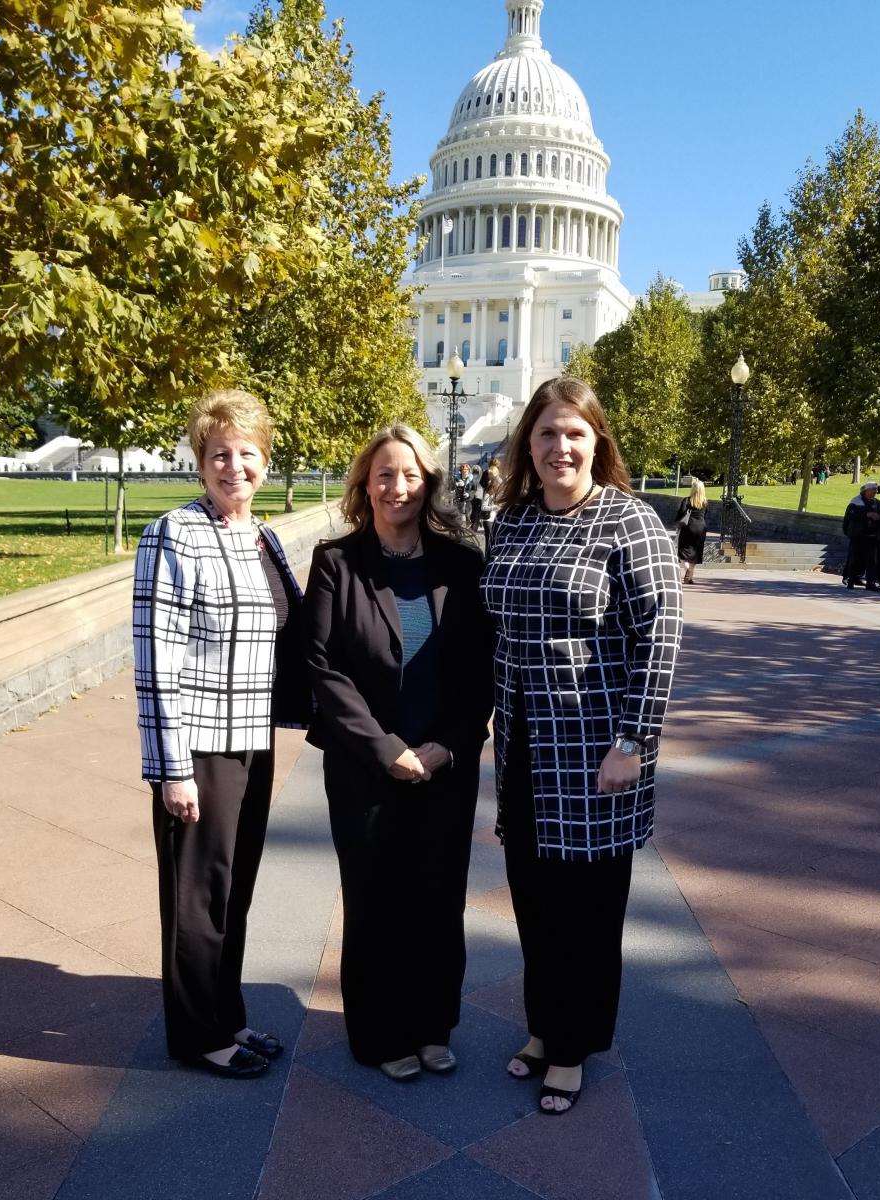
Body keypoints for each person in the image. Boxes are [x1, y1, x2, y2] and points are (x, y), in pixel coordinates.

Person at [481, 377, 683, 1115]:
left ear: (596, 440)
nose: (559, 447)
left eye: (573, 433)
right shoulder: (510, 522)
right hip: (525, 747)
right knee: (535, 904)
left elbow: (657, 636)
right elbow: (494, 630)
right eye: (545, 434)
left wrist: (634, 739)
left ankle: (572, 1047)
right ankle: (543, 1027)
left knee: (588, 914)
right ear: (526, 446)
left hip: (599, 750)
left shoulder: (629, 522)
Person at [303, 425, 493, 1081]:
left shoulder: (462, 563)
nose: (397, 487)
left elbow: (479, 671)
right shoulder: (336, 562)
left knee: (438, 899)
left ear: (428, 481)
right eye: (384, 475)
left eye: (409, 474)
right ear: (365, 485)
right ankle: (380, 1033)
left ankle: (432, 1024)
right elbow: (323, 669)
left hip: (444, 765)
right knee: (376, 898)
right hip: (364, 769)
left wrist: (446, 745)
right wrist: (384, 748)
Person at [133, 389, 311, 1079]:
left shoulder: (259, 533)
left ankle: (225, 1015)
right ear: (199, 462)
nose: (233, 467)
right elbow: (155, 657)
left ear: (264, 460)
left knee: (232, 890)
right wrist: (171, 767)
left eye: (246, 454)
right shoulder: (174, 534)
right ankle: (197, 1035)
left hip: (250, 741)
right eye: (218, 455)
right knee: (196, 899)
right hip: (199, 747)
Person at [841, 481, 880, 590]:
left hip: (871, 535)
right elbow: (850, 516)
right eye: (872, 490)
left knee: (870, 560)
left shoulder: (878, 503)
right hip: (857, 535)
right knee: (855, 558)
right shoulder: (855, 502)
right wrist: (867, 514)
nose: (874, 492)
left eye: (875, 490)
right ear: (866, 491)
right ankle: (851, 580)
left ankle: (870, 583)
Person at [674, 479, 709, 584]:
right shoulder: (705, 502)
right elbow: (705, 515)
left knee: (683, 552)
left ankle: (688, 570)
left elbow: (680, 514)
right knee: (695, 553)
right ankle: (689, 578)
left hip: (688, 528)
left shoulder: (687, 500)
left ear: (692, 489)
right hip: (701, 528)